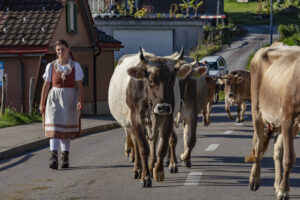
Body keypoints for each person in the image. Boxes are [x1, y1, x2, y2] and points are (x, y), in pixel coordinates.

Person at [39, 39, 84, 169]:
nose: (60, 52)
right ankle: (53, 157)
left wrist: (80, 100)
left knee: (65, 131)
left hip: (70, 99)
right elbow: (46, 85)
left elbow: (80, 86)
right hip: (54, 99)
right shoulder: (51, 66)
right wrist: (42, 103)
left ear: (68, 49)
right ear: (56, 51)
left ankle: (65, 157)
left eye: (63, 49)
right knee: (54, 130)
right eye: (58, 50)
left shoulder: (75, 66)